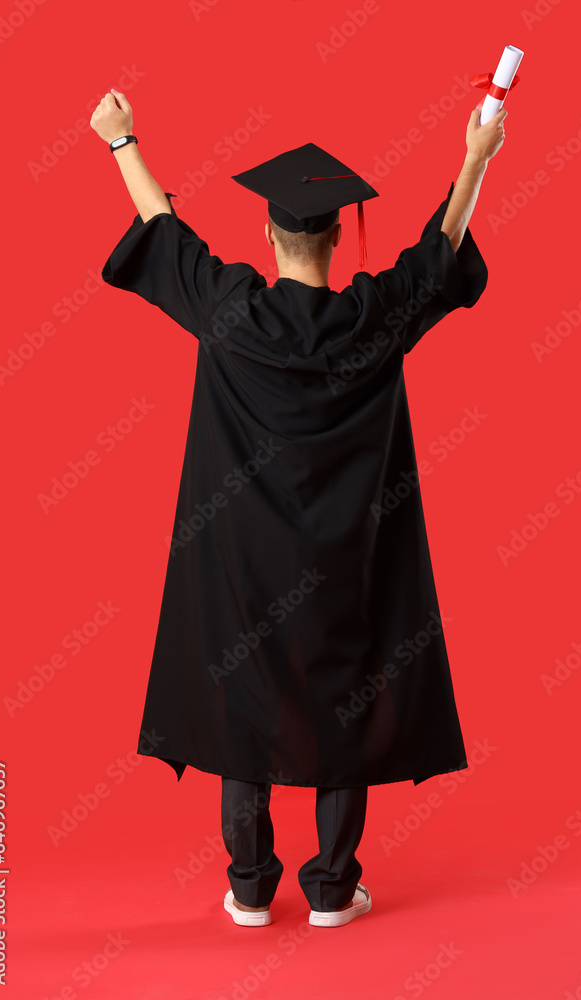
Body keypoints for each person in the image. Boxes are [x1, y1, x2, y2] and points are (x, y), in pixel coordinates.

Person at [90, 89, 507, 928]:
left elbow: (165, 235)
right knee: (345, 691)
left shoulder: (229, 310)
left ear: (271, 237)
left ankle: (248, 886)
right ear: (333, 237)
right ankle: (329, 888)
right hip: (346, 559)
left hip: (241, 559)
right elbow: (440, 249)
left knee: (245, 694)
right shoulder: (373, 317)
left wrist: (121, 140)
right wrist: (475, 158)